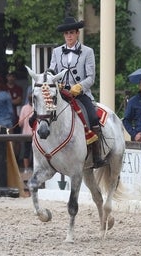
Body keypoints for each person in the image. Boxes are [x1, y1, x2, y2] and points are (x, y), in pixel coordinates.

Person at [49, 16, 106, 168]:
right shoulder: (56, 52)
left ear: (77, 33)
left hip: (80, 94)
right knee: (44, 114)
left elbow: (91, 77)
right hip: (61, 94)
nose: (69, 35)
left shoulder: (88, 52)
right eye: (67, 33)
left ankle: (96, 154)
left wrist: (79, 87)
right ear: (64, 35)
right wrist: (55, 83)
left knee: (93, 118)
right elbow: (52, 71)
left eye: (72, 32)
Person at [18, 93, 33, 173]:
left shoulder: (24, 108)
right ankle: (33, 167)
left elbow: (20, 123)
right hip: (35, 135)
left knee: (26, 151)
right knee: (35, 152)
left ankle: (26, 169)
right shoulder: (37, 108)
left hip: (26, 134)